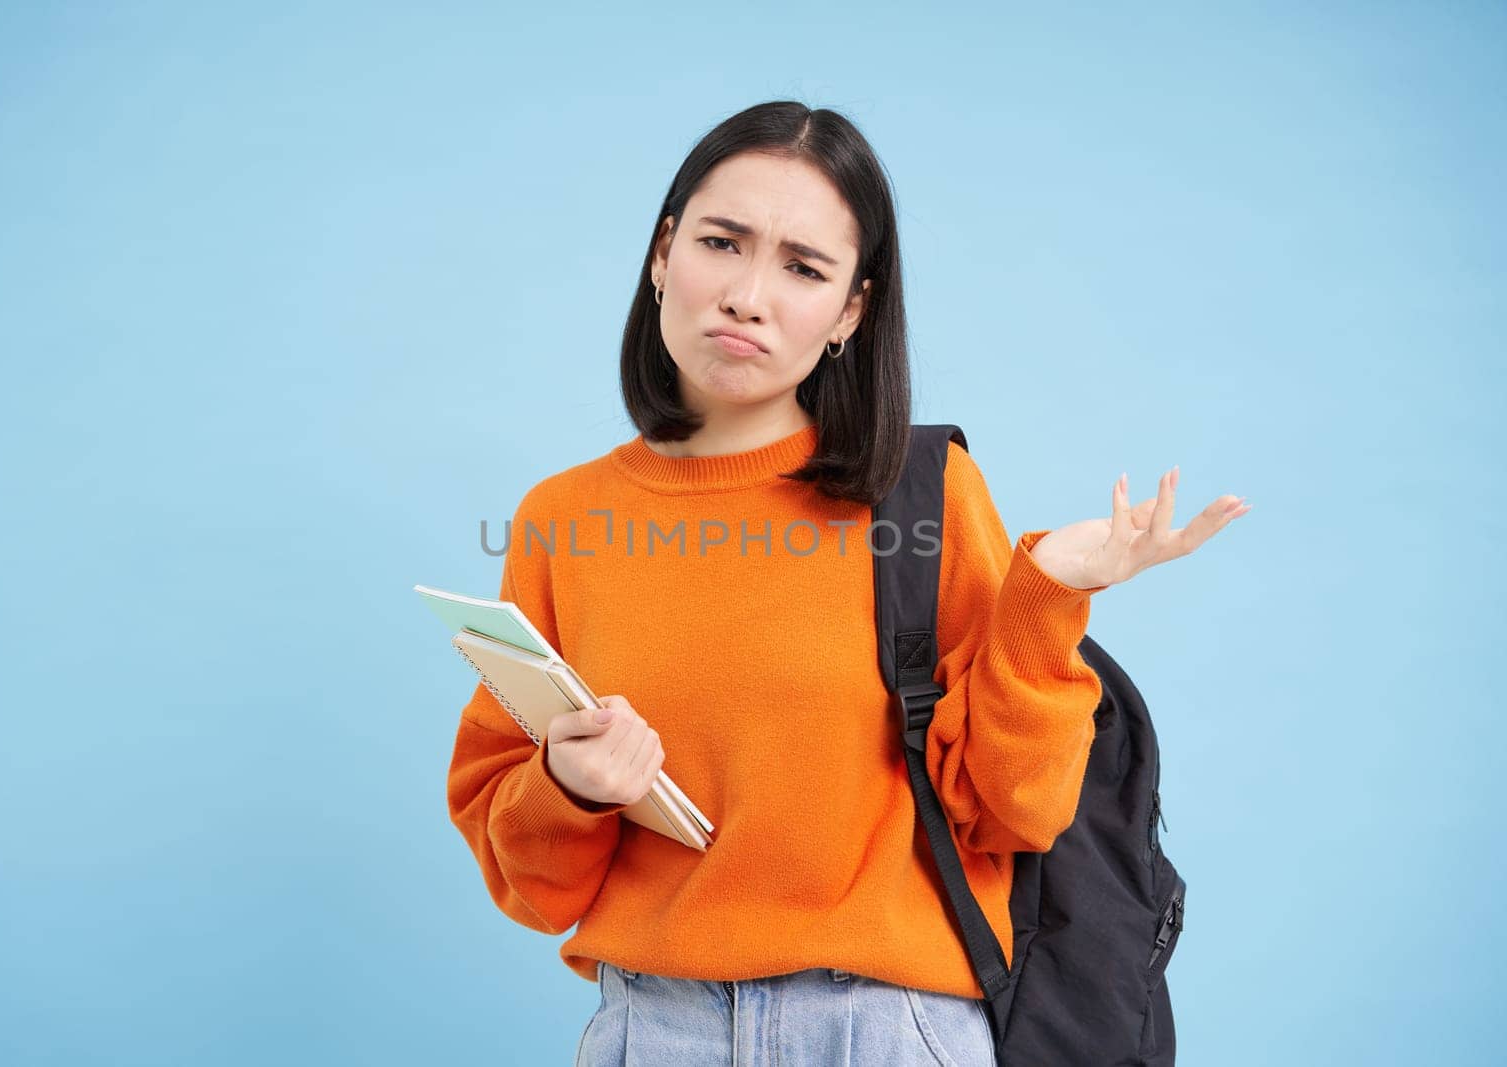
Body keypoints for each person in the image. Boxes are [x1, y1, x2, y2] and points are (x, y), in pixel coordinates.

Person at [445, 100, 1249, 1067]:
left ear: (851, 311)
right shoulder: (561, 520)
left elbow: (1010, 813)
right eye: (720, 242)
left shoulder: (923, 496)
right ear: (664, 255)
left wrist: (1043, 597)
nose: (748, 294)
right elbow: (534, 885)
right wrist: (569, 787)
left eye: (803, 268)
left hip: (885, 1030)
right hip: (650, 1031)